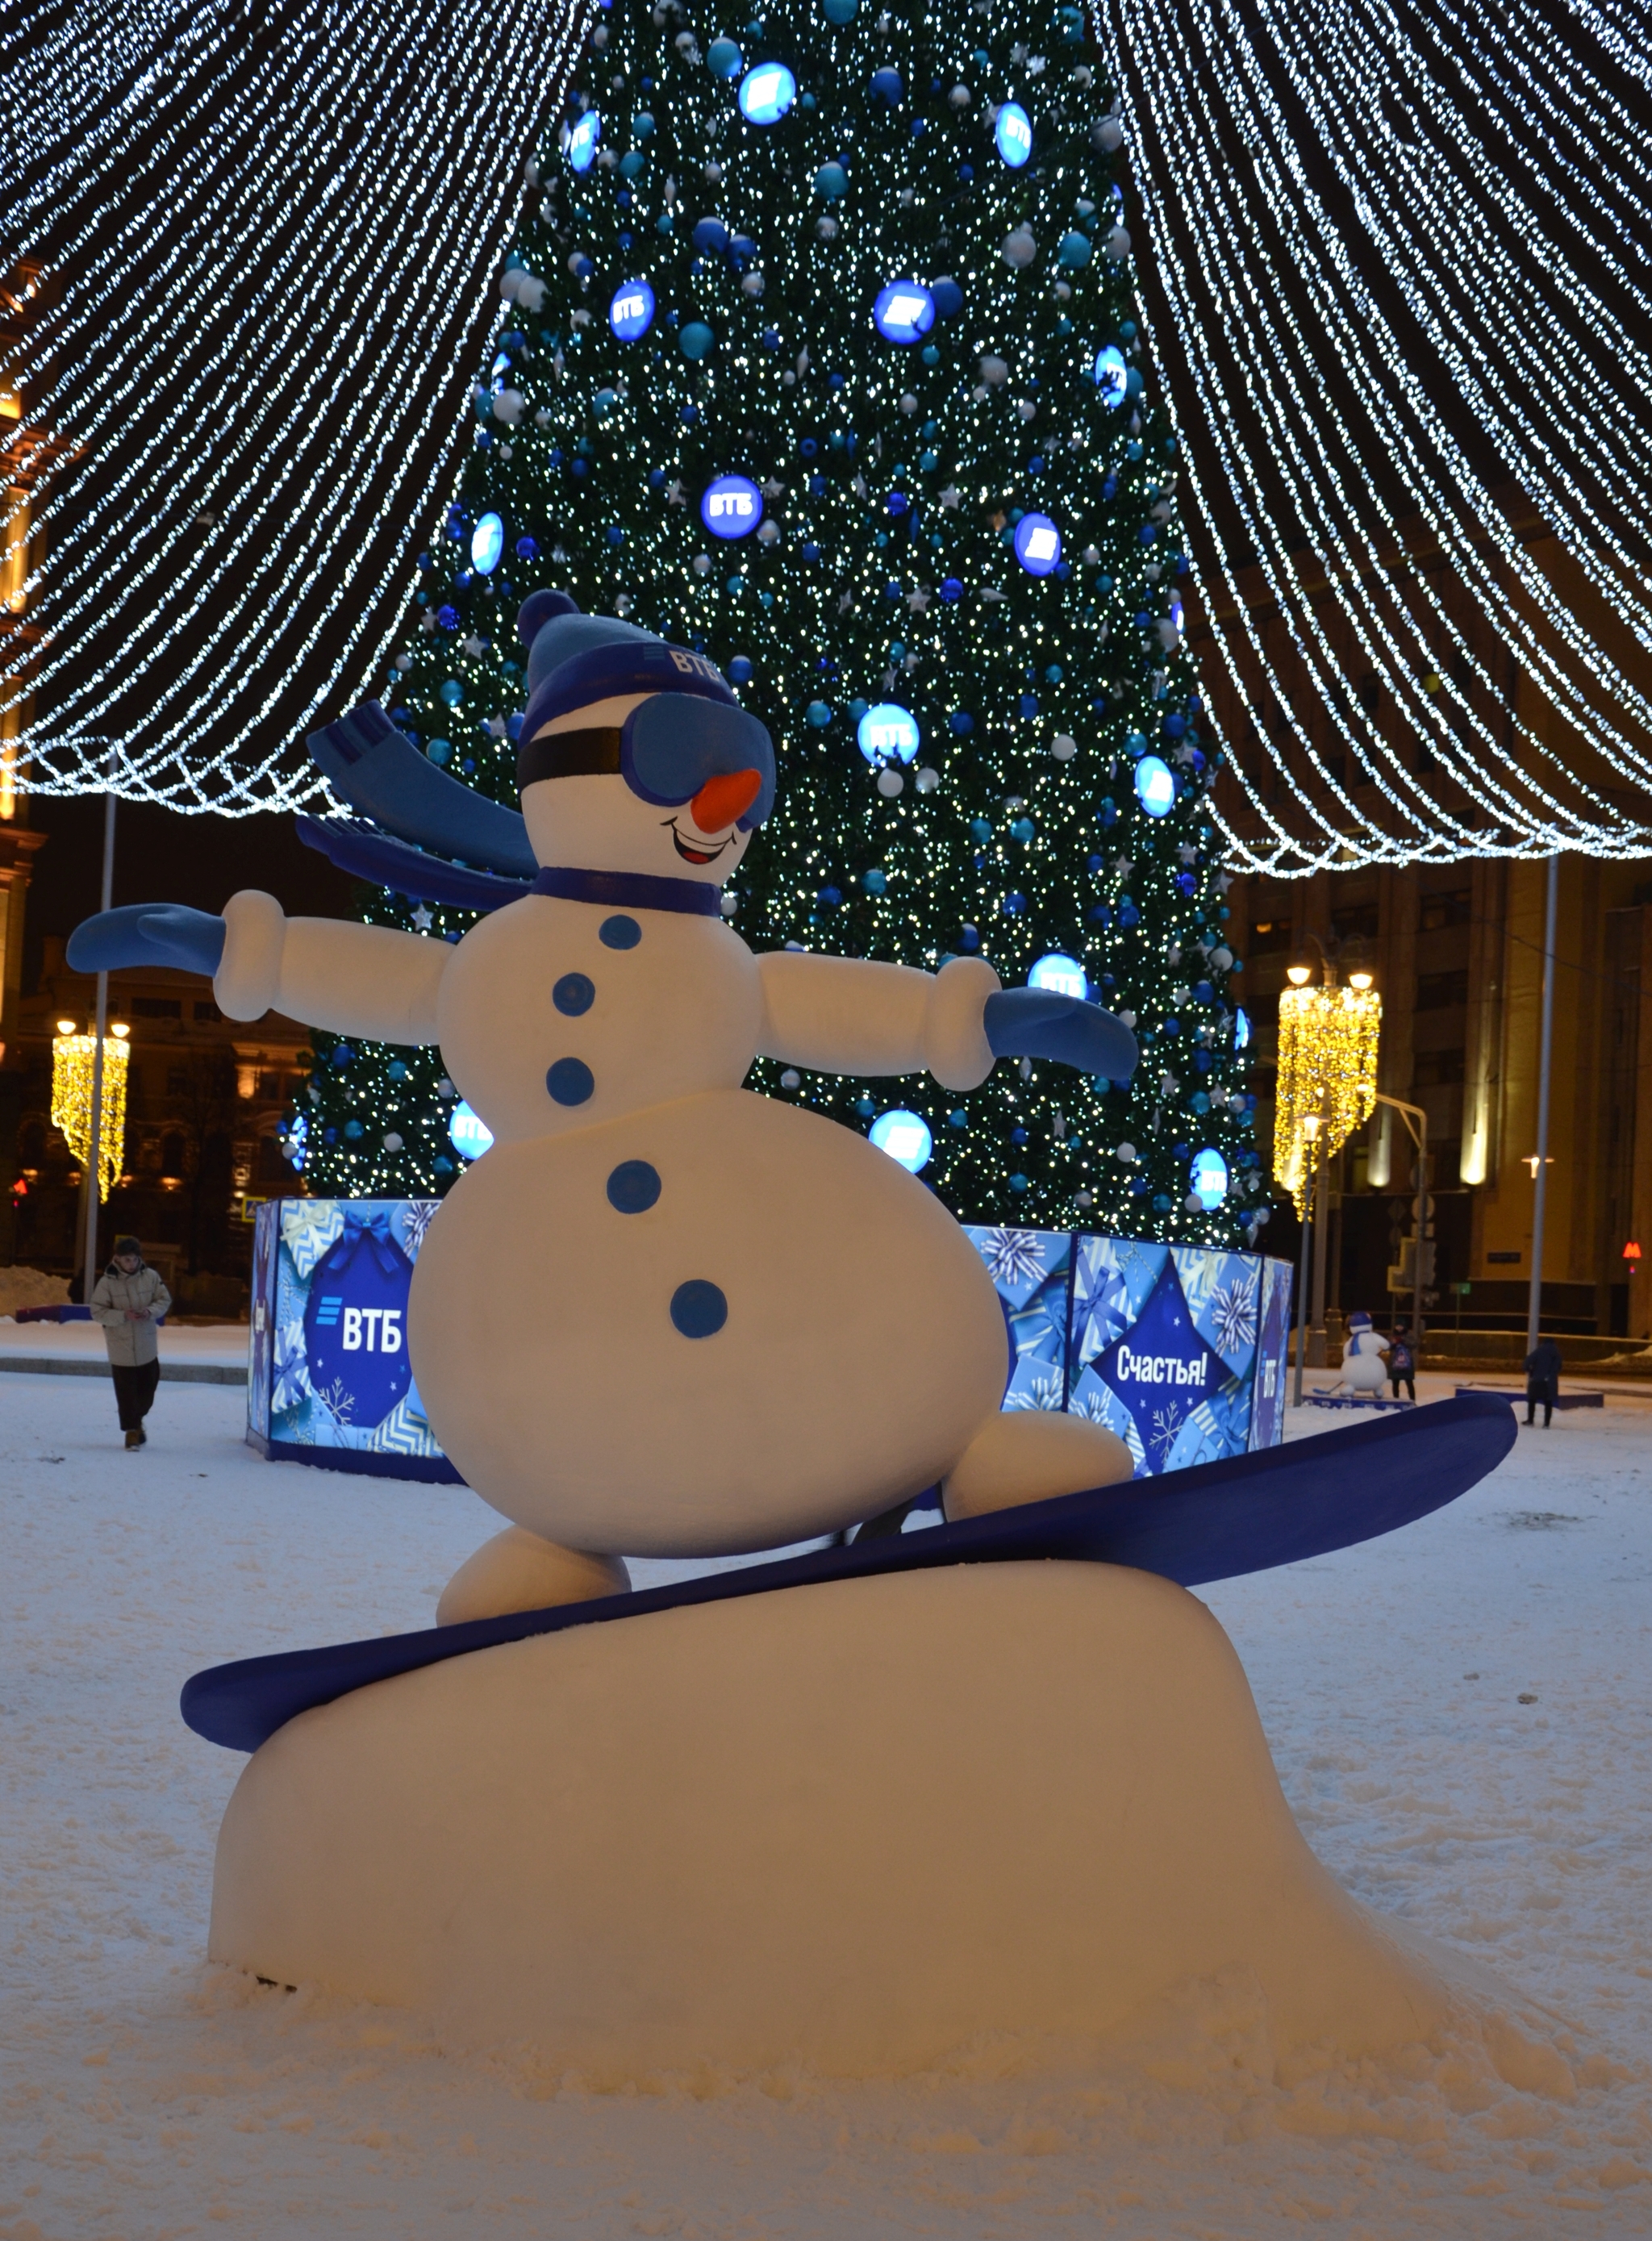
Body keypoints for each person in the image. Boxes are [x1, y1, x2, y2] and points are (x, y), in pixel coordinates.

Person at [90, 1236, 172, 1450]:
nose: (132, 1264)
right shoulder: (107, 1282)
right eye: (127, 1260)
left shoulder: (151, 1277)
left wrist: (149, 1312)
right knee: (126, 1395)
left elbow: (164, 1300)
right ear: (117, 1259)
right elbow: (97, 1311)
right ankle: (131, 1432)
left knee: (147, 1392)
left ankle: (137, 1421)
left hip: (146, 1346)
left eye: (135, 1259)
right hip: (121, 1348)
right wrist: (123, 1316)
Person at [1524, 1335, 1563, 1428]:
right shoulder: (1557, 1354)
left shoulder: (1538, 1351)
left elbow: (1526, 1363)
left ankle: (1530, 1420)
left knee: (1532, 1400)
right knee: (1548, 1402)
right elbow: (1559, 1367)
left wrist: (1531, 1372)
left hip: (1537, 1380)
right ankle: (1546, 1423)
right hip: (1550, 1382)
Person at [1387, 1327, 1416, 1403]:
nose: (1399, 1328)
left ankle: (1412, 1400)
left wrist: (1403, 1340)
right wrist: (1393, 1343)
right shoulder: (1392, 1336)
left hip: (1407, 1364)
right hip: (1395, 1364)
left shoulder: (1409, 1335)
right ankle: (1396, 1400)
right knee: (1395, 1383)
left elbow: (1414, 1344)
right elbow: (1387, 1346)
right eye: (1397, 1326)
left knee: (1409, 1382)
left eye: (1401, 1326)